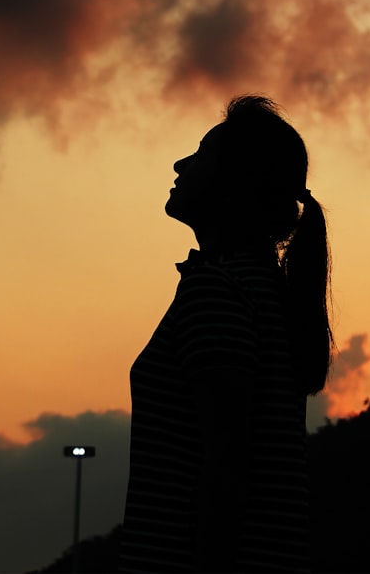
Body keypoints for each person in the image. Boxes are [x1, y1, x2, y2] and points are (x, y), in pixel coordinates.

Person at [119, 96, 333, 572]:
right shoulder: (263, 290)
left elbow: (227, 464)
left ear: (235, 183)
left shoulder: (219, 289)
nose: (180, 163)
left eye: (200, 153)